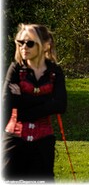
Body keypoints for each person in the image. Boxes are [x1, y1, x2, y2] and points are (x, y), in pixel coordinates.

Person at [2, 24, 67, 182]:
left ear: (45, 45)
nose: (24, 47)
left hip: (43, 141)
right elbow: (6, 105)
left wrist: (22, 99)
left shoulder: (54, 72)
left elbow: (60, 105)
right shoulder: (16, 69)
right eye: (20, 42)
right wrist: (45, 101)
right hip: (14, 140)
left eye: (30, 43)